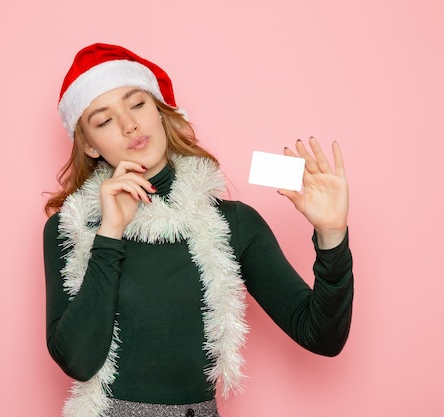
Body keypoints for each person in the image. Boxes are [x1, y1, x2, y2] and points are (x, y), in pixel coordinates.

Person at [43, 43, 353, 417]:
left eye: (137, 104)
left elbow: (322, 336)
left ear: (160, 111)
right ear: (90, 146)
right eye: (104, 120)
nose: (129, 125)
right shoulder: (70, 228)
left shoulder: (233, 223)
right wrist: (110, 233)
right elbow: (77, 360)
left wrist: (332, 236)